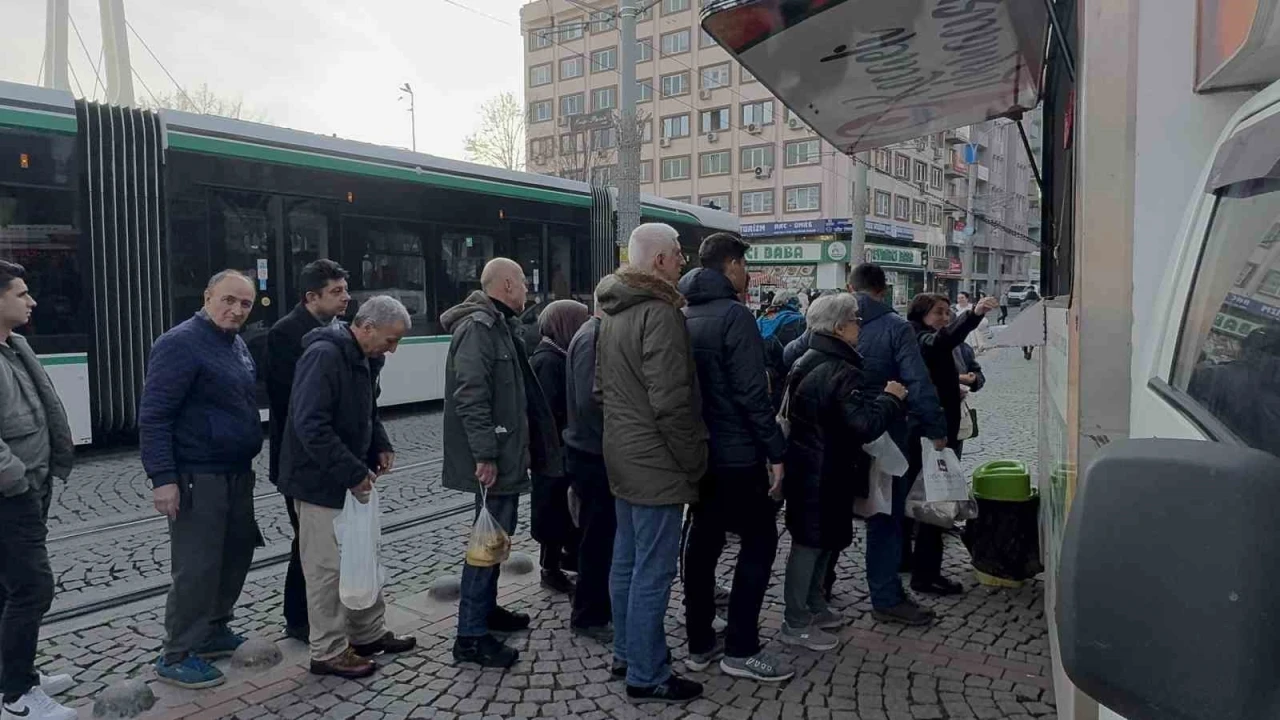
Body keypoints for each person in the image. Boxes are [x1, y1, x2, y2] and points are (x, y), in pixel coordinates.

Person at [788, 264, 947, 625]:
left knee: (831, 515)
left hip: (836, 440)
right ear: (883, 289)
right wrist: (937, 429)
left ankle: (820, 592)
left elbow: (788, 357)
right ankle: (885, 596)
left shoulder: (823, 319)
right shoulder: (895, 328)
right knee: (884, 517)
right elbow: (918, 383)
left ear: (850, 286)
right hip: (885, 434)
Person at [597, 223, 707, 703]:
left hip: (622, 453)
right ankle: (647, 672)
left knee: (626, 562)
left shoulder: (611, 312)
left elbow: (600, 390)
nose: (684, 262)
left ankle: (627, 651)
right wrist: (693, 460)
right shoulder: (660, 314)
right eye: (679, 254)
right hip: (657, 460)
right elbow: (671, 403)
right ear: (660, 260)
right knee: (653, 571)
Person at [278, 296, 416, 679]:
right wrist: (353, 471)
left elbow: (368, 410)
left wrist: (380, 443)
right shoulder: (324, 356)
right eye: (390, 340)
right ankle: (329, 650)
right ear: (366, 327)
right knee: (326, 569)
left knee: (361, 556)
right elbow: (311, 425)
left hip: (348, 477)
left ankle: (368, 632)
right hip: (318, 482)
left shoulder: (366, 357)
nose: (393, 349)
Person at [139, 270, 265, 688]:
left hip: (235, 472)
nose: (236, 310)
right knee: (197, 566)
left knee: (235, 554)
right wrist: (163, 478)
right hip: (198, 474)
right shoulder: (179, 343)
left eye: (245, 304)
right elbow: (155, 416)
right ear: (207, 295)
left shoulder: (235, 343)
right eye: (228, 300)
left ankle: (213, 629)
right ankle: (177, 652)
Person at [676, 234, 791, 682]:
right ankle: (741, 648)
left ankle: (700, 642)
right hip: (739, 454)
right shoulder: (735, 316)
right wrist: (775, 452)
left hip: (700, 452)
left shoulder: (683, 313)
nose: (747, 273)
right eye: (744, 264)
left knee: (703, 544)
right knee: (760, 542)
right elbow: (750, 394)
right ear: (730, 264)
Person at [442, 258, 561, 668]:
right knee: (486, 543)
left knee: (496, 539)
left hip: (508, 454)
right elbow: (471, 395)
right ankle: (470, 636)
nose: (527, 289)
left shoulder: (501, 325)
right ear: (507, 284)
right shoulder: (480, 328)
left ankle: (486, 612)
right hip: (495, 457)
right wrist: (485, 454)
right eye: (524, 282)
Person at [780, 294, 908, 651]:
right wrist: (891, 398)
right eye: (855, 319)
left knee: (823, 541)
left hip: (817, 466)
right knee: (810, 544)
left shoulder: (811, 358)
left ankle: (815, 606)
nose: (860, 324)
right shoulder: (838, 368)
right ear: (838, 327)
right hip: (822, 469)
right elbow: (863, 425)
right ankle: (796, 621)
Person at [0, 261, 78, 720]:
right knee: (32, 588)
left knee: (7, 588)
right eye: (21, 293)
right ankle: (17, 697)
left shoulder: (15, 346)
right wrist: (15, 480)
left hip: (31, 485)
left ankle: (17, 673)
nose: (31, 301)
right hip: (11, 492)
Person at [266, 259, 351, 643]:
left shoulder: (338, 330)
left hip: (330, 453)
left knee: (329, 540)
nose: (346, 298)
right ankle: (299, 619)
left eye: (345, 290)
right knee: (306, 540)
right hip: (299, 457)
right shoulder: (286, 334)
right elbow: (292, 401)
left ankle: (324, 613)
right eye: (336, 292)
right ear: (311, 297)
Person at [901, 293, 999, 595]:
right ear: (921, 315)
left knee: (927, 503)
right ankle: (924, 574)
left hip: (938, 432)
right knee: (934, 505)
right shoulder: (920, 339)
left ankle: (914, 565)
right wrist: (974, 315)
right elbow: (942, 342)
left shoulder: (935, 340)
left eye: (947, 313)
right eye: (939, 313)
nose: (945, 318)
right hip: (931, 434)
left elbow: (968, 366)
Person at [529, 299, 589, 595]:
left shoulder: (557, 355)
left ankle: (564, 560)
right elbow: (550, 412)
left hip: (558, 452)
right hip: (552, 454)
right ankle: (550, 568)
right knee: (552, 511)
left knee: (562, 511)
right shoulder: (549, 361)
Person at [563, 298, 614, 642]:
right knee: (597, 538)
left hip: (592, 450)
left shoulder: (593, 334)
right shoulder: (592, 337)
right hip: (592, 453)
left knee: (601, 536)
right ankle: (588, 615)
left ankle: (597, 608)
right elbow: (588, 401)